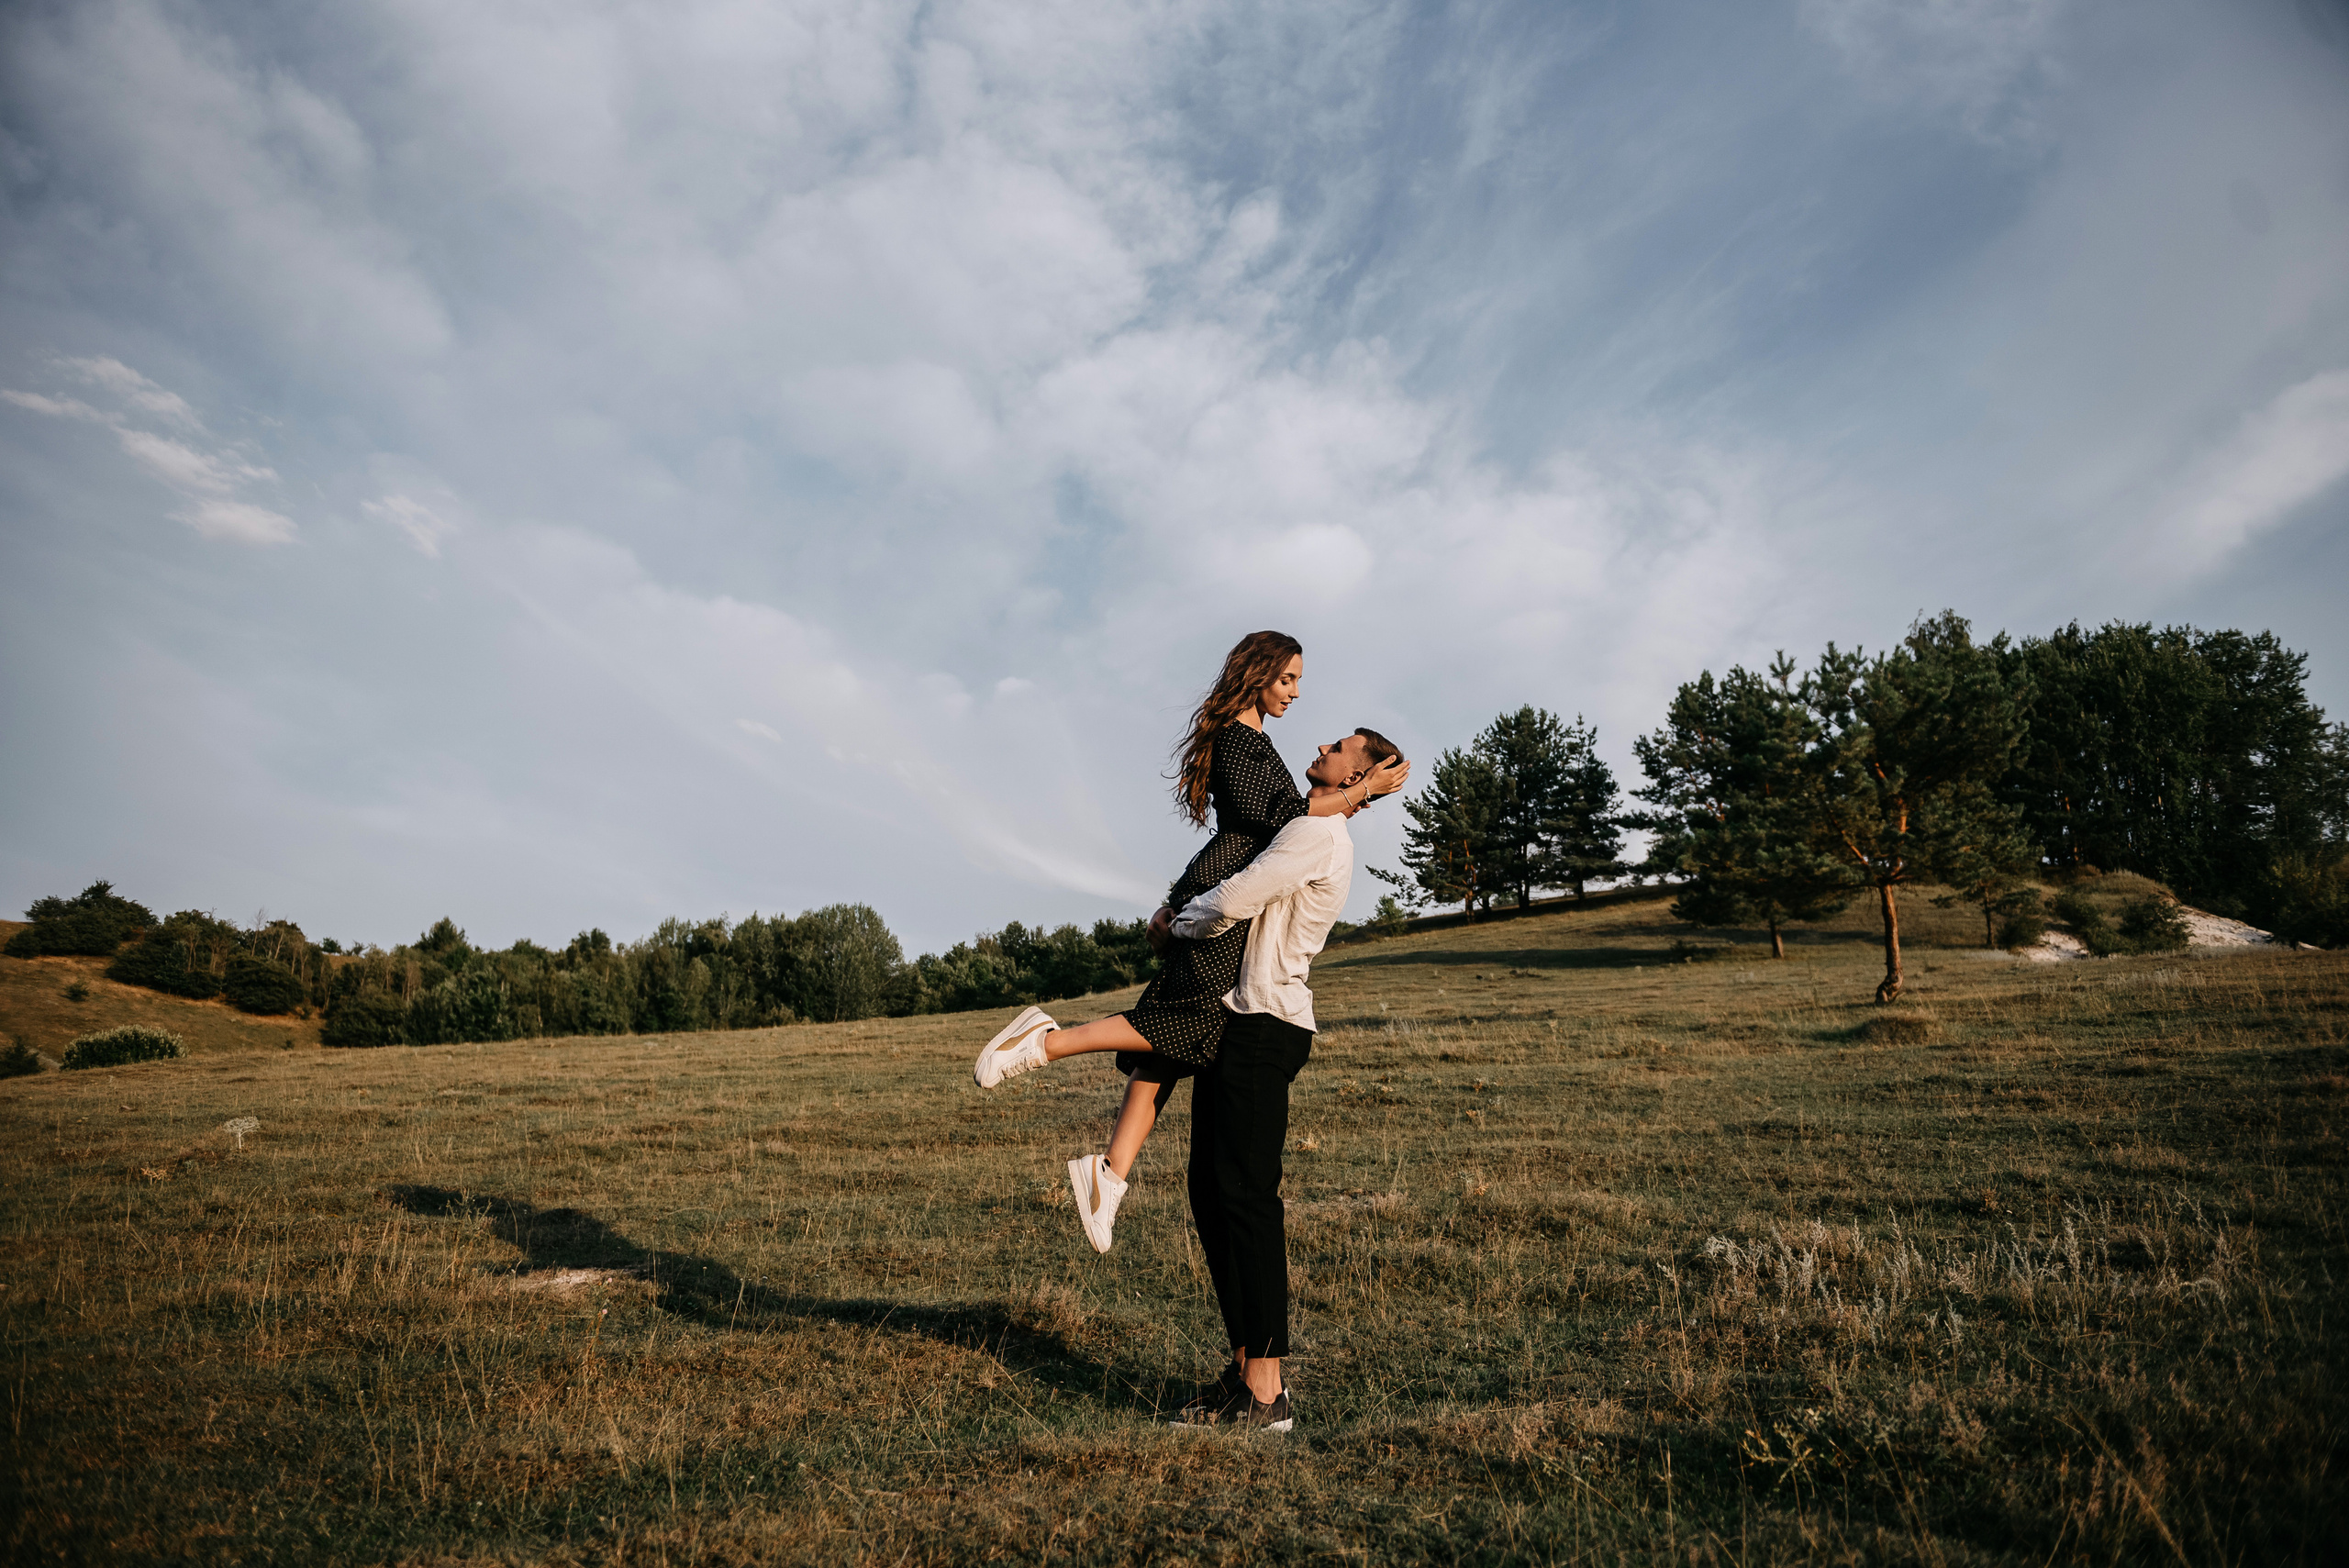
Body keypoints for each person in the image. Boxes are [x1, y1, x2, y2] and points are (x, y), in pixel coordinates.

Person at [975, 725, 1400, 1434]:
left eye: (1341, 746)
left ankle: (1266, 1392)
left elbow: (1237, 897)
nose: (1324, 743)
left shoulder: (1319, 838)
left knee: (1248, 1202)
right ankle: (1245, 1374)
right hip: (1243, 1024)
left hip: (1268, 1028)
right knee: (1212, 1194)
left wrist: (1177, 924)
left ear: (1358, 774)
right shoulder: (1306, 822)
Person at [971, 634, 1407, 1255]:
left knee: (1178, 1042)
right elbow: (1286, 820)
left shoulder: (1256, 743)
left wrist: (1353, 795)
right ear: (1257, 675)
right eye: (1287, 678)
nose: (1296, 692)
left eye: (1297, 681)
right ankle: (1041, 1043)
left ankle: (1109, 1175)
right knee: (1184, 1021)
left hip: (1218, 890)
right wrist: (1360, 792)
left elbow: (1295, 820)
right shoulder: (1237, 737)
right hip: (1219, 898)